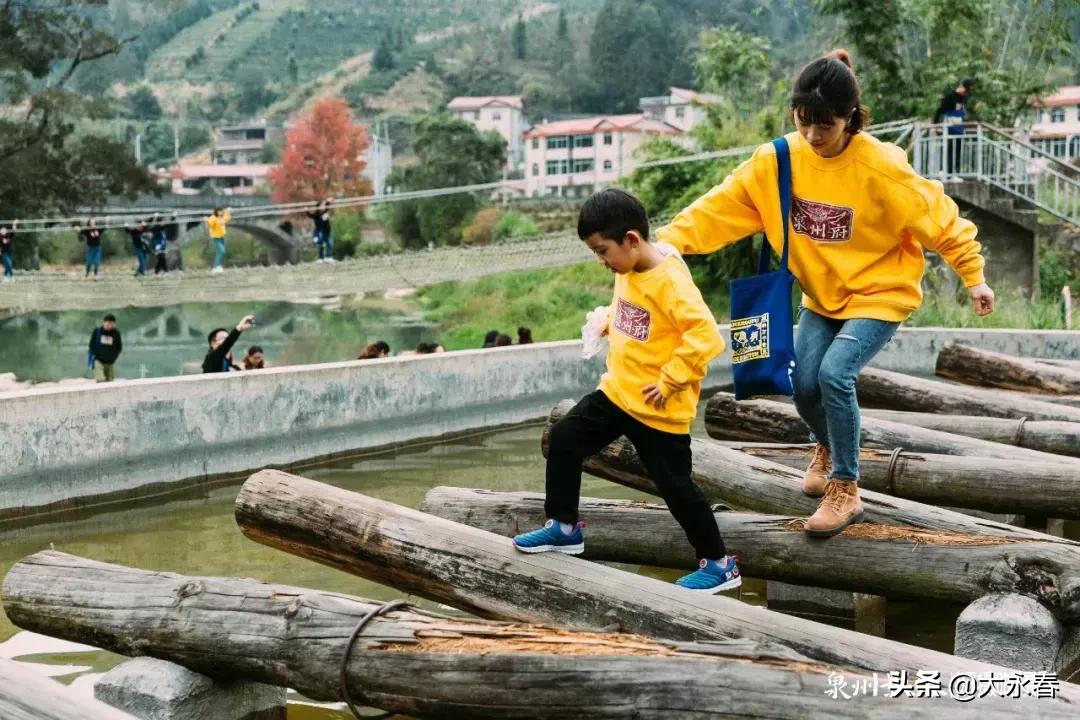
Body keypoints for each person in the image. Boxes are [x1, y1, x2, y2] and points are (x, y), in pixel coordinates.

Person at [654, 49, 994, 537]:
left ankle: (846, 488)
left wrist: (972, 274)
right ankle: (827, 442)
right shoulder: (777, 160)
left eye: (827, 125)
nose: (814, 135)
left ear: (850, 118)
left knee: (835, 375)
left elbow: (939, 217)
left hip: (881, 291)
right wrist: (670, 241)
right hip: (821, 295)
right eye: (804, 121)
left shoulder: (881, 165)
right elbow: (721, 206)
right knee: (804, 383)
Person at [512, 189, 739, 593]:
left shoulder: (669, 279)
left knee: (676, 487)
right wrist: (608, 323)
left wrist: (670, 378)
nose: (602, 262)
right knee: (565, 437)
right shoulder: (626, 269)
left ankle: (719, 564)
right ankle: (564, 527)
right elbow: (636, 314)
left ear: (632, 240)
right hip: (618, 392)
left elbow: (705, 335)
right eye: (596, 253)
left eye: (603, 251)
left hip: (658, 404)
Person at [933, 79, 974, 179]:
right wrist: (935, 124)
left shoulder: (964, 99)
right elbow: (939, 110)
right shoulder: (950, 97)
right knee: (948, 150)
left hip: (959, 129)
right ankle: (945, 172)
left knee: (957, 152)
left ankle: (952, 173)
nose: (966, 93)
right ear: (961, 87)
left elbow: (962, 113)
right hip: (949, 128)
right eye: (965, 90)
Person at [88, 314, 122, 382]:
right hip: (98, 361)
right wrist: (97, 354)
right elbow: (91, 344)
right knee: (100, 380)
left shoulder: (116, 333)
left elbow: (119, 347)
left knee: (110, 382)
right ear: (104, 322)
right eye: (108, 323)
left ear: (114, 324)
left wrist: (113, 357)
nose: (109, 326)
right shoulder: (97, 331)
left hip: (110, 363)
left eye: (112, 324)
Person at [306, 199, 334, 263]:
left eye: (324, 205)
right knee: (321, 245)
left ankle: (328, 257)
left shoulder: (326, 211)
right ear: (319, 207)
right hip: (320, 232)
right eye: (322, 205)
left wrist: (328, 201)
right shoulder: (316, 214)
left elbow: (327, 205)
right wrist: (307, 210)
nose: (324, 207)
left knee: (330, 244)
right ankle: (320, 258)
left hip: (328, 231)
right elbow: (310, 215)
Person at [206, 207, 231, 273]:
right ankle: (215, 267)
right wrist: (207, 220)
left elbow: (226, 218)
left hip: (222, 237)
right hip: (216, 238)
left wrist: (227, 211)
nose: (220, 212)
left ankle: (218, 266)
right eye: (219, 211)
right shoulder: (213, 218)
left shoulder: (221, 218)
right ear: (216, 212)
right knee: (222, 251)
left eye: (221, 211)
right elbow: (210, 224)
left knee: (220, 252)